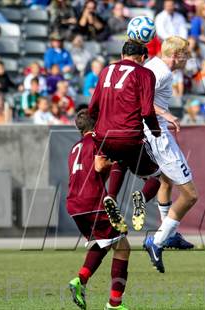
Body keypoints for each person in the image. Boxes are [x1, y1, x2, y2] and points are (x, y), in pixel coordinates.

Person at [88, 40, 162, 234]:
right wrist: (155, 130)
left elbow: (92, 107)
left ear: (122, 56)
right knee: (155, 177)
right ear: (143, 58)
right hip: (129, 135)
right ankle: (141, 198)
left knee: (119, 159)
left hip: (104, 136)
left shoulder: (106, 71)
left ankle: (111, 196)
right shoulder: (145, 73)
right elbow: (147, 111)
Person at [143, 36, 198, 273]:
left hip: (148, 133)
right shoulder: (163, 72)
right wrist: (166, 115)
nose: (188, 58)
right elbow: (140, 100)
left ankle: (170, 234)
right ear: (175, 55)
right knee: (190, 194)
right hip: (158, 135)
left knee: (165, 181)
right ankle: (157, 240)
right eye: (186, 54)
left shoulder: (153, 65)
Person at [66, 109, 131, 310]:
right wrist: (120, 162)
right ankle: (114, 304)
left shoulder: (75, 147)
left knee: (105, 242)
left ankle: (81, 280)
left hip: (75, 204)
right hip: (93, 202)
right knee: (123, 247)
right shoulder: (98, 140)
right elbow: (99, 164)